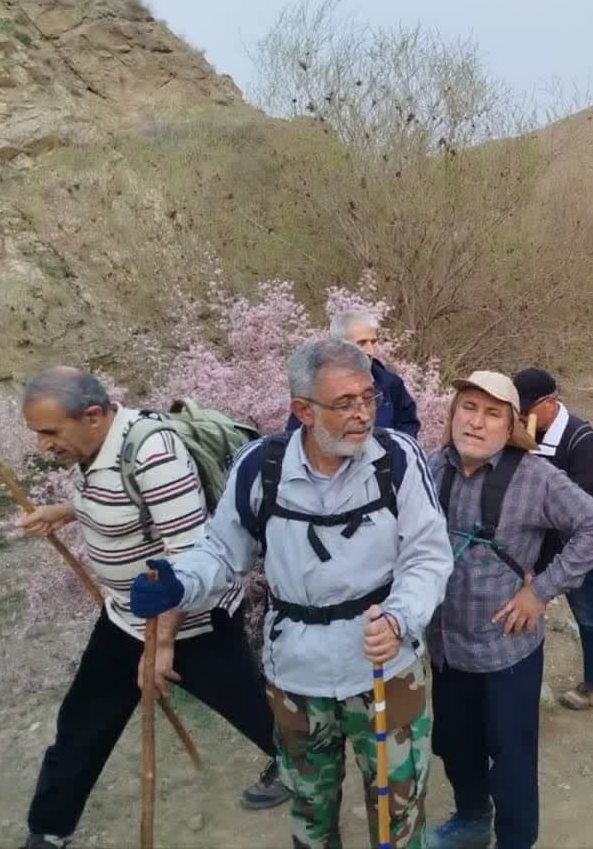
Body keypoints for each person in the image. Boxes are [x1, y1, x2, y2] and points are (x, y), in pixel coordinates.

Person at [130, 339, 453, 849]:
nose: (363, 414)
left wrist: (400, 617)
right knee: (309, 810)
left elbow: (428, 556)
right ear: (303, 410)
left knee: (399, 812)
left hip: (386, 668)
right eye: (344, 403)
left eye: (368, 398)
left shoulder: (398, 459)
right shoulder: (261, 467)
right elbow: (221, 553)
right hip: (296, 676)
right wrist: (178, 583)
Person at [17, 367, 286, 849]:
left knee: (248, 707)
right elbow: (120, 500)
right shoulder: (93, 448)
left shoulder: (154, 454)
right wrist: (64, 511)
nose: (43, 445)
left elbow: (187, 557)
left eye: (50, 432)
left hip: (194, 621)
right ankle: (50, 828)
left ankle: (299, 766)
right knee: (83, 722)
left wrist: (161, 645)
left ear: (93, 415)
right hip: (126, 616)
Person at [426, 371, 593, 849]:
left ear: (511, 425)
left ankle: (515, 840)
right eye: (468, 408)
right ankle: (472, 818)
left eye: (492, 414)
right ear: (453, 413)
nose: (476, 422)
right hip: (446, 647)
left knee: (511, 758)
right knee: (454, 744)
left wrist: (542, 591)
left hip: (506, 651)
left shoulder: (536, 477)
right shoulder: (431, 468)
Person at [512, 366, 593, 711]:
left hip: (574, 550)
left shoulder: (581, 441)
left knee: (589, 615)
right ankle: (524, 680)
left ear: (550, 403)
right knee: (526, 612)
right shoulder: (524, 434)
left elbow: (585, 504)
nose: (522, 416)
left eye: (527, 409)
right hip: (533, 548)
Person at [285, 309, 420, 438]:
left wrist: (394, 450)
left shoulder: (390, 383)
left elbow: (408, 425)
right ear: (339, 346)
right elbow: (296, 436)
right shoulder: (314, 386)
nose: (371, 351)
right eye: (362, 343)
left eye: (373, 342)